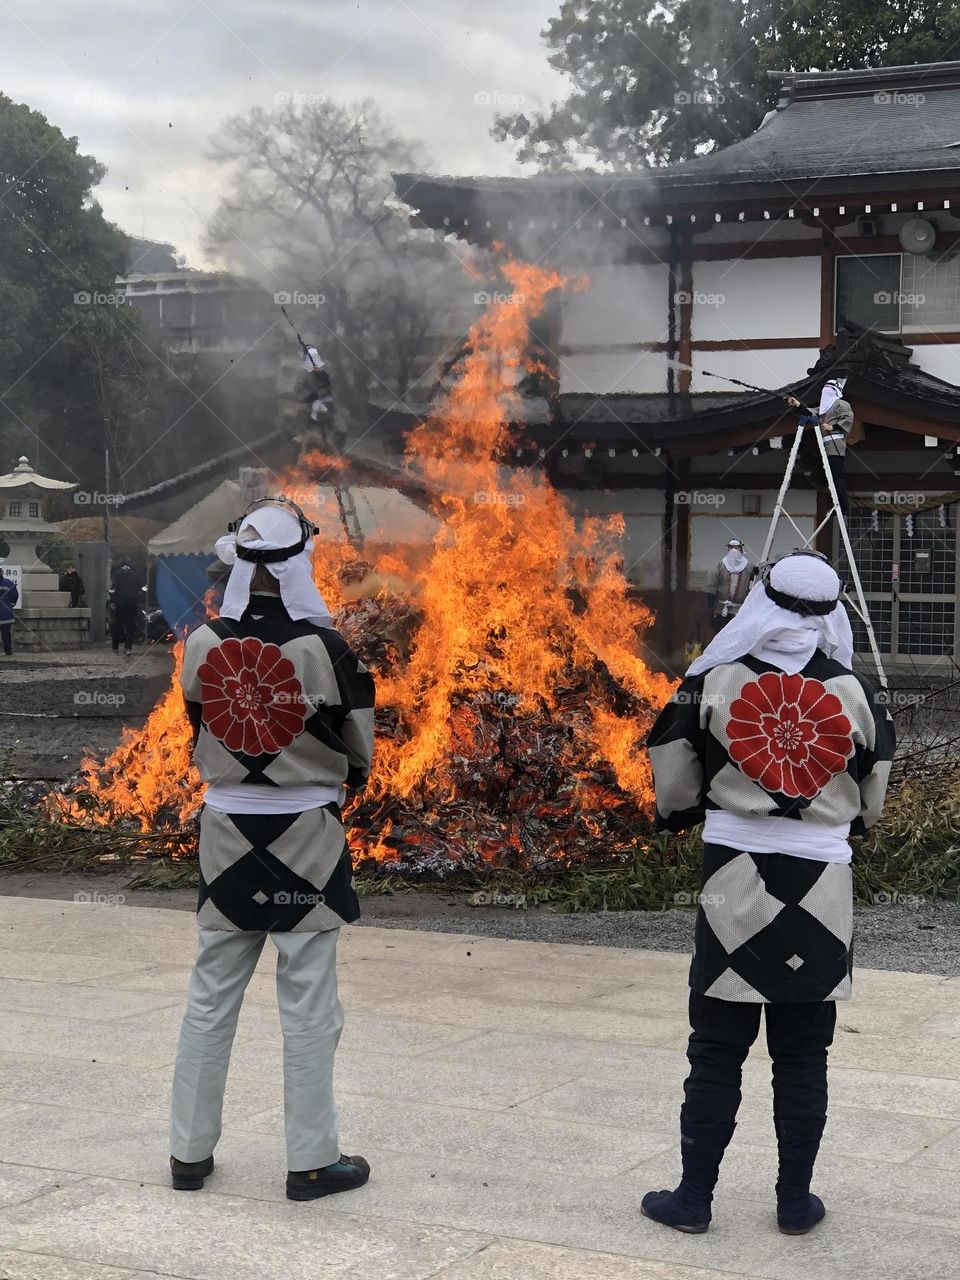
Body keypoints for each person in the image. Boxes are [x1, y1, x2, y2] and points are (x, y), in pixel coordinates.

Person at [642, 551, 894, 1236]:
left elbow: (673, 775)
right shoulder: (855, 691)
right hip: (824, 884)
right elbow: (872, 796)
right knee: (804, 1054)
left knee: (716, 1048)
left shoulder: (714, 678)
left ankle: (694, 1199)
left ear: (762, 602)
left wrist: (686, 813)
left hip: (734, 875)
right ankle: (794, 1203)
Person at [170, 499, 375, 1202]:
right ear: (299, 564)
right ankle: (312, 1162)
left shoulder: (203, 642)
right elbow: (359, 746)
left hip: (226, 830)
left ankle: (188, 1153)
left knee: (209, 996)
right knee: (309, 1003)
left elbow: (197, 722)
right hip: (306, 834)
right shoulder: (328, 648)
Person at [788, 379, 853, 516]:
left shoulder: (841, 404)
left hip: (835, 445)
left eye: (829, 388)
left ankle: (844, 507)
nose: (826, 391)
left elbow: (848, 418)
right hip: (825, 446)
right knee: (827, 477)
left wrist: (832, 427)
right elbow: (809, 413)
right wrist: (797, 404)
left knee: (837, 476)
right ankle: (835, 504)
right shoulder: (823, 408)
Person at [708, 538, 752, 631]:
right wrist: (710, 608)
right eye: (731, 548)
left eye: (736, 548)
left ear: (741, 550)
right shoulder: (720, 564)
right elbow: (711, 585)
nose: (733, 551)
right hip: (722, 609)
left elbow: (755, 584)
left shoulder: (749, 566)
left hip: (740, 611)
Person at [110, 558, 142, 655]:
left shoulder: (117, 574)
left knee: (118, 624)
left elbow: (114, 589)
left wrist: (113, 601)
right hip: (132, 602)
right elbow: (140, 589)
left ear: (121, 565)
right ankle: (128, 648)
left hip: (121, 602)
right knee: (130, 625)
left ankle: (115, 647)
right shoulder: (135, 575)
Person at [0, 569, 18, 655]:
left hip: (4, 613)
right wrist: (11, 605)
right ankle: (8, 650)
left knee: (6, 632)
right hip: (5, 614)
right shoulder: (8, 583)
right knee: (6, 633)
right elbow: (14, 596)